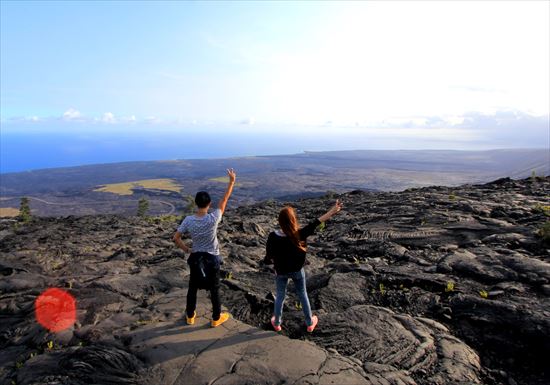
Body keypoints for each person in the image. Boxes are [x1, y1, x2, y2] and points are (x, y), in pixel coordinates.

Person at [264, 199, 343, 333]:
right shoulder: (299, 234)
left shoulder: (273, 236)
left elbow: (268, 257)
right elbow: (317, 222)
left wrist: (274, 263)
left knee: (280, 297)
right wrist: (333, 211)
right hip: (297, 271)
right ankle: (309, 322)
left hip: (281, 272)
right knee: (302, 294)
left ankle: (277, 323)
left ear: (280, 221)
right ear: (293, 220)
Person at [173, 168, 236, 327]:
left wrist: (187, 249)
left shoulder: (188, 220)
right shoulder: (213, 218)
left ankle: (190, 316)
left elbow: (176, 237)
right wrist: (231, 182)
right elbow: (224, 200)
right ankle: (216, 318)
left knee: (192, 288)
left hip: (196, 259)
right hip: (212, 258)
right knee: (215, 289)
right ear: (209, 204)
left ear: (196, 203)